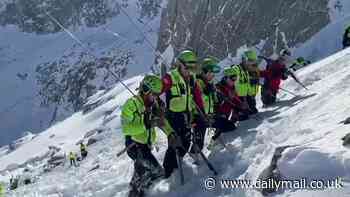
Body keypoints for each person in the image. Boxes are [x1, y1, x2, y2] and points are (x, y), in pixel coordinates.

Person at [121, 75, 178, 197]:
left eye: (157, 94)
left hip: (146, 145)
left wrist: (170, 133)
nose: (156, 97)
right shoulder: (131, 105)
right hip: (134, 145)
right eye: (154, 94)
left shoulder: (154, 105)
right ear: (146, 90)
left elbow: (162, 122)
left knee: (142, 172)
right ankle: (140, 191)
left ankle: (136, 192)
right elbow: (126, 128)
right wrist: (147, 123)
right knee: (156, 171)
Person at [161, 50, 206, 178]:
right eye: (187, 67)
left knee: (185, 141)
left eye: (192, 67)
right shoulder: (170, 77)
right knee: (175, 142)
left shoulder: (191, 79)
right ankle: (168, 171)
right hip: (173, 116)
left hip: (186, 114)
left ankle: (180, 160)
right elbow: (159, 90)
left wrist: (201, 112)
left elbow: (197, 96)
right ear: (179, 65)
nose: (190, 70)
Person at [189, 57, 221, 159]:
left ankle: (212, 145)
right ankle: (194, 158)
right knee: (199, 141)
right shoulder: (198, 82)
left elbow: (213, 100)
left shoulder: (210, 84)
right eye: (211, 72)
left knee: (224, 124)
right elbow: (197, 97)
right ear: (206, 71)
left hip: (208, 115)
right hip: (198, 116)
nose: (213, 75)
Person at [208, 67, 245, 149]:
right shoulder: (218, 88)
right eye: (232, 78)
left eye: (235, 78)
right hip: (217, 115)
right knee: (226, 127)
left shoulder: (231, 88)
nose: (234, 81)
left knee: (231, 125)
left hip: (226, 114)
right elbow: (215, 103)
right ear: (226, 78)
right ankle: (213, 143)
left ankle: (216, 140)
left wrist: (240, 106)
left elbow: (234, 99)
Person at [229, 51, 254, 119]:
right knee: (245, 115)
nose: (248, 64)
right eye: (246, 62)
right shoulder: (238, 68)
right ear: (243, 61)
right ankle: (235, 115)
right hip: (238, 96)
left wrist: (250, 94)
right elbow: (234, 70)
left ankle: (242, 111)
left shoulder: (245, 71)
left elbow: (247, 84)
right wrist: (233, 69)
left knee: (253, 110)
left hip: (244, 95)